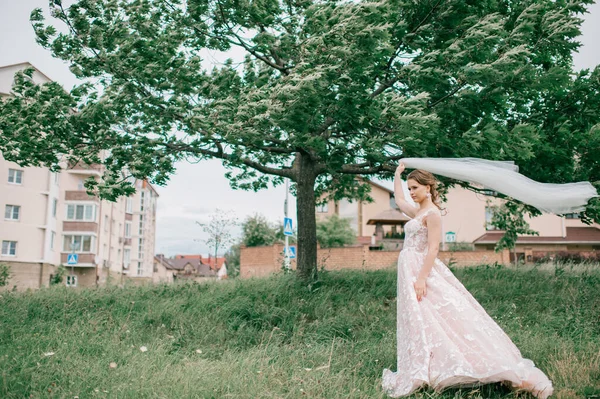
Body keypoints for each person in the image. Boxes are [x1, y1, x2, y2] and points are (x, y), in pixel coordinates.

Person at [382, 162, 553, 398]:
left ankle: (485, 367)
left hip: (421, 270)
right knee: (420, 318)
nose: (411, 192)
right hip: (409, 269)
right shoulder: (418, 211)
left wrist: (421, 279)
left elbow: (433, 249)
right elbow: (400, 202)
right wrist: (397, 175)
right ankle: (424, 366)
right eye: (409, 188)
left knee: (444, 317)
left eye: (414, 188)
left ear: (428, 188)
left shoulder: (431, 214)